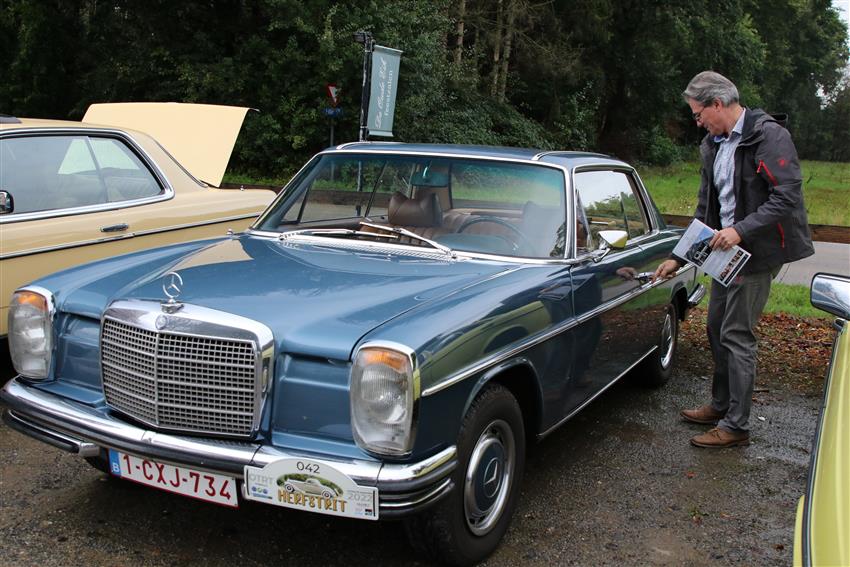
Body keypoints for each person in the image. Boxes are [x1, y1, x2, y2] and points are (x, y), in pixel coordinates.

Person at [653, 71, 814, 448]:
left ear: (717, 104)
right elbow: (706, 209)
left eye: (698, 114)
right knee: (715, 327)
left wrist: (740, 230)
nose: (698, 122)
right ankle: (721, 405)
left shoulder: (768, 136)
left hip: (757, 253)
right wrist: (679, 258)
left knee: (737, 334)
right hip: (726, 254)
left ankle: (736, 425)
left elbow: (786, 196)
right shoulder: (712, 144)